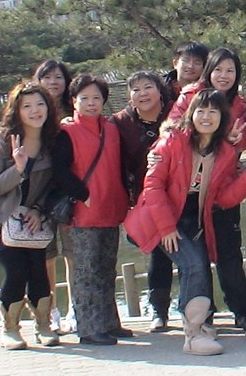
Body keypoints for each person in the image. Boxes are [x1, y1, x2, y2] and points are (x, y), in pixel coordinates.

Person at [124, 90, 246, 355]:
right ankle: (193, 335)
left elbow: (223, 198)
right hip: (162, 218)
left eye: (213, 112)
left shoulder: (225, 152)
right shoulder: (172, 141)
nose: (206, 117)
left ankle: (200, 326)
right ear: (191, 114)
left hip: (194, 220)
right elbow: (153, 186)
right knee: (193, 264)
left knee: (200, 267)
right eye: (201, 111)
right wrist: (167, 228)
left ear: (222, 118)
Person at [167, 47, 246, 330]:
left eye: (230, 70)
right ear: (209, 71)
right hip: (190, 192)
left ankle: (242, 310)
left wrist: (235, 140)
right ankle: (202, 312)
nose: (224, 76)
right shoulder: (191, 96)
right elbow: (171, 129)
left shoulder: (241, 105)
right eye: (218, 69)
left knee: (229, 253)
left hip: (223, 188)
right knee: (197, 257)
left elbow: (245, 140)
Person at [51, 74, 131, 345]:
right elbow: (60, 170)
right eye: (84, 98)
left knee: (107, 269)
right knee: (87, 272)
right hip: (84, 213)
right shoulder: (67, 132)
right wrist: (82, 195)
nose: (91, 103)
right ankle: (88, 328)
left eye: (96, 97)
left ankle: (109, 323)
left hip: (111, 207)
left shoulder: (111, 128)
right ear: (73, 101)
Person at [0, 81, 61, 350]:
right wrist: (18, 168)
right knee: (17, 270)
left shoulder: (52, 140)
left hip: (33, 216)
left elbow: (53, 185)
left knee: (38, 268)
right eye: (27, 106)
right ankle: (9, 329)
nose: (35, 111)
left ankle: (43, 326)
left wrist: (39, 211)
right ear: (16, 110)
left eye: (40, 104)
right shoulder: (3, 140)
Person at [111, 71, 174, 332]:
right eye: (136, 89)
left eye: (148, 87)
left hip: (181, 193)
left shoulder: (176, 113)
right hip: (145, 199)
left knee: (192, 253)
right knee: (159, 253)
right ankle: (159, 310)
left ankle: (199, 309)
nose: (143, 93)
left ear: (160, 91)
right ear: (129, 96)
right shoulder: (120, 122)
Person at [32, 59, 74, 329]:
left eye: (58, 77)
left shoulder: (76, 107)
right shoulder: (32, 111)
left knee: (73, 253)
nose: (53, 82)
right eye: (46, 77)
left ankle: (75, 309)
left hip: (69, 191)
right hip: (39, 194)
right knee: (46, 255)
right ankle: (51, 311)